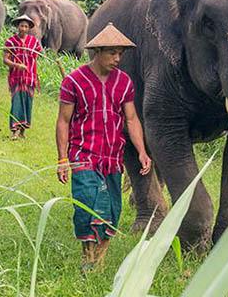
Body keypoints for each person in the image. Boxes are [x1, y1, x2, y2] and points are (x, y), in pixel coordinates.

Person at [55, 23, 152, 271]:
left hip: (112, 158)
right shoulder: (73, 81)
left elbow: (131, 119)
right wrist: (62, 159)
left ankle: (99, 261)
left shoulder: (124, 82)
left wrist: (141, 151)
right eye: (111, 52)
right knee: (86, 204)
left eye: (120, 53)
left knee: (112, 209)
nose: (117, 59)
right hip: (83, 155)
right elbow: (63, 121)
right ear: (97, 51)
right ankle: (87, 258)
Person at [3, 14, 42, 140]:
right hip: (16, 77)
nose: (23, 29)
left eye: (26, 26)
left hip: (30, 78)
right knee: (17, 103)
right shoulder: (11, 42)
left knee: (27, 103)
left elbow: (38, 55)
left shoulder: (34, 42)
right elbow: (5, 60)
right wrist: (16, 65)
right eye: (21, 26)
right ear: (17, 26)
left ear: (29, 28)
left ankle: (23, 130)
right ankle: (14, 130)